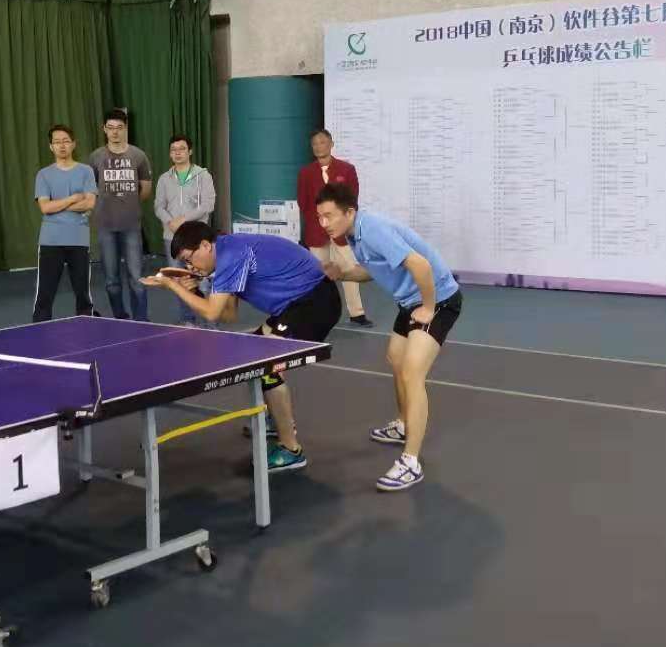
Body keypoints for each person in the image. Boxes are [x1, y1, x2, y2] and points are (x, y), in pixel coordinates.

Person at [146, 221, 342, 474]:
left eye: (189, 259)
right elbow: (229, 315)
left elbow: (212, 313)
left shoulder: (231, 256)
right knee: (255, 354)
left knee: (267, 366)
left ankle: (291, 449)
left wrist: (173, 286)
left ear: (205, 246)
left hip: (314, 303)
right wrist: (197, 292)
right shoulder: (226, 253)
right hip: (294, 305)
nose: (189, 267)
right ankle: (278, 419)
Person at [315, 182, 462, 492]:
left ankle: (411, 462)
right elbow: (373, 270)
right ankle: (405, 424)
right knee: (395, 358)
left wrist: (428, 307)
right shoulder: (354, 234)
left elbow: (420, 265)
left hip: (438, 299)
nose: (323, 223)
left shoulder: (371, 229)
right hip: (410, 301)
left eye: (329, 216)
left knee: (412, 373)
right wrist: (343, 274)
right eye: (320, 217)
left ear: (349, 212)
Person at [297, 129, 371, 327]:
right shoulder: (305, 173)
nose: (319, 146)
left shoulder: (346, 169)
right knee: (318, 275)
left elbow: (352, 199)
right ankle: (318, 312)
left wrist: (341, 223)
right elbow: (303, 202)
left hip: (342, 232)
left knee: (350, 270)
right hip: (316, 233)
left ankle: (357, 314)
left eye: (322, 142)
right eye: (315, 143)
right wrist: (318, 222)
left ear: (331, 144)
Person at [89, 109, 153, 320]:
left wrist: (128, 203)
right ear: (104, 129)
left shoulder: (138, 156)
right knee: (111, 281)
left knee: (137, 278)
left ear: (126, 128)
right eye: (111, 128)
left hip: (131, 226)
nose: (115, 132)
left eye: (119, 128)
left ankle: (141, 321)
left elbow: (145, 190)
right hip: (105, 226)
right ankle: (120, 319)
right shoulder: (95, 157)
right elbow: (91, 189)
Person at [32, 125, 98, 322]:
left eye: (66, 141)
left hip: (79, 239)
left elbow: (89, 203)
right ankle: (40, 330)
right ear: (51, 146)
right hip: (50, 241)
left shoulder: (86, 171)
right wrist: (73, 199)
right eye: (57, 142)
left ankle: (87, 327)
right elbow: (45, 207)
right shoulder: (43, 174)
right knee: (45, 294)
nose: (62, 145)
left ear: (73, 144)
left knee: (83, 293)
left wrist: (57, 205)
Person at [154, 134, 216, 327]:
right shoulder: (164, 179)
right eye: (173, 150)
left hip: (198, 239)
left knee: (204, 282)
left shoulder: (203, 175)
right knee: (179, 281)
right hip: (171, 238)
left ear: (190, 151)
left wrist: (183, 220)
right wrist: (170, 222)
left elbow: (208, 204)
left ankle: (210, 323)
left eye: (181, 149)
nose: (177, 153)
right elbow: (158, 206)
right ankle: (187, 320)